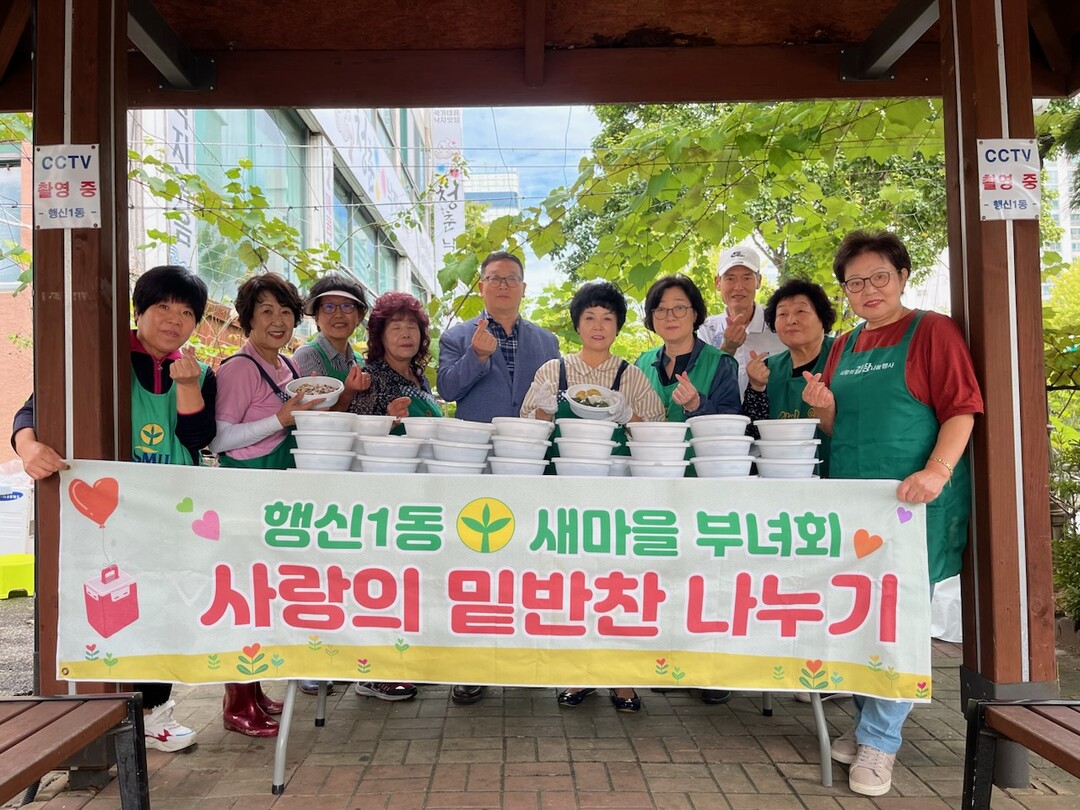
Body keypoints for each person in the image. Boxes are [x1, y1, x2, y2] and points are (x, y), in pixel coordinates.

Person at [801, 231, 983, 797]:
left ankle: (881, 742)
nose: (868, 289)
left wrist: (937, 471)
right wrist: (823, 408)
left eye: (879, 276)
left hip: (913, 504)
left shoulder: (933, 331)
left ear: (902, 276)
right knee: (858, 616)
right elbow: (837, 429)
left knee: (899, 620)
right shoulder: (844, 345)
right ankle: (866, 726)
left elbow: (961, 409)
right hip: (855, 505)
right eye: (855, 282)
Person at [10, 264, 218, 753]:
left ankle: (155, 711)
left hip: (168, 509)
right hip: (104, 510)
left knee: (164, 605)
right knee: (106, 608)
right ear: (138, 310)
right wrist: (27, 446)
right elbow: (34, 409)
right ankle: (101, 713)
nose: (174, 320)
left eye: (187, 313)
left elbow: (198, 438)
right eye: (163, 307)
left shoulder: (200, 372)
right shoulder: (102, 357)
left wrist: (188, 387)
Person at [521, 280, 664, 714]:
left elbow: (657, 432)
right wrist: (543, 409)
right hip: (562, 492)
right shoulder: (553, 372)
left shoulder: (631, 375)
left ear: (618, 326)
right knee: (571, 580)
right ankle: (578, 672)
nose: (598, 326)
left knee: (616, 582)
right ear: (577, 324)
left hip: (615, 494)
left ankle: (621, 676)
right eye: (589, 317)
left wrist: (628, 414)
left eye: (607, 318)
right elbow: (528, 431)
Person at [436, 250, 559, 706]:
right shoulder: (457, 336)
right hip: (477, 462)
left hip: (529, 462)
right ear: (482, 286)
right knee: (474, 562)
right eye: (494, 278)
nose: (503, 285)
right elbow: (447, 388)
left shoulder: (547, 341)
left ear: (524, 288)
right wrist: (477, 356)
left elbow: (556, 395)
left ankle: (525, 660)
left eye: (511, 278)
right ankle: (471, 665)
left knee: (528, 559)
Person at [209, 272, 322, 737]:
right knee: (242, 594)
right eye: (267, 312)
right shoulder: (239, 368)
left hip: (276, 492)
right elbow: (219, 439)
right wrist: (280, 419)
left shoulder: (287, 366)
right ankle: (236, 702)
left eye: (286, 312)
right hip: (244, 492)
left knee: (263, 593)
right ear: (248, 319)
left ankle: (253, 691)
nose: (278, 321)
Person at [635, 273, 740, 704]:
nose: (670, 316)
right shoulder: (642, 364)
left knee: (706, 576)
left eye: (680, 307)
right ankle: (668, 662)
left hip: (704, 486)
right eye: (661, 309)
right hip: (653, 486)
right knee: (662, 576)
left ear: (696, 313)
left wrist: (698, 404)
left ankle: (712, 671)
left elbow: (734, 425)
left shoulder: (720, 363)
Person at [744, 279, 837, 477]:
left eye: (801, 311)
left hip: (838, 476)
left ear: (822, 317)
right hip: (781, 477)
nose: (791, 320)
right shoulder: (768, 368)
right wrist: (756, 387)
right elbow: (752, 434)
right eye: (782, 314)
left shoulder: (845, 357)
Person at [697, 246, 785, 399]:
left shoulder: (778, 323)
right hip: (721, 414)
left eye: (747, 278)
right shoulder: (706, 329)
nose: (738, 287)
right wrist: (726, 349)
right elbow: (700, 385)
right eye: (730, 278)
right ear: (717, 282)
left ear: (758, 281)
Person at [352, 291, 441, 425]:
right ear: (380, 336)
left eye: (411, 326)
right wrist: (389, 421)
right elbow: (358, 431)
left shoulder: (420, 378)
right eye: (396, 328)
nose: (406, 334)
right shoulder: (371, 380)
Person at [291, 271, 372, 412]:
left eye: (347, 306)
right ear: (316, 316)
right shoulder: (308, 355)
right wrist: (348, 392)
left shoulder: (358, 360)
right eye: (328, 307)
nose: (338, 314)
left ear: (359, 316)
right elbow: (316, 416)